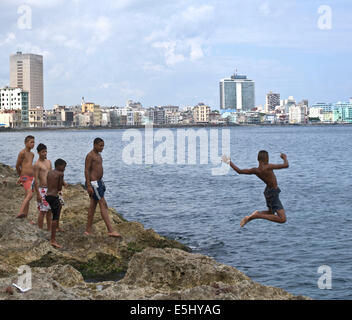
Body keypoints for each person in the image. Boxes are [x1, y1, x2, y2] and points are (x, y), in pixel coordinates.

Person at [222, 151, 289, 227]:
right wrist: (284, 157)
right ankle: (257, 215)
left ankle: (251, 217)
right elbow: (286, 165)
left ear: (258, 159)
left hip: (267, 192)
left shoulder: (256, 170)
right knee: (282, 219)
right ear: (267, 159)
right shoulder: (268, 167)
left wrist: (229, 162)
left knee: (271, 213)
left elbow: (239, 171)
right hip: (273, 193)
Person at [84, 138, 121, 238]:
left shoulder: (99, 155)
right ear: (94, 145)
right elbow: (86, 170)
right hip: (94, 183)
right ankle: (110, 230)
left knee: (92, 206)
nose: (102, 148)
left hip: (99, 182)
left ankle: (87, 230)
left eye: (103, 146)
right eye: (100, 145)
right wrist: (88, 185)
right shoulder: (90, 155)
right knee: (103, 204)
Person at [45, 159, 66, 248]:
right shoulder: (60, 174)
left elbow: (49, 184)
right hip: (54, 196)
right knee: (55, 217)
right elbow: (59, 188)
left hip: (48, 195)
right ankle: (53, 240)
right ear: (58, 165)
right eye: (64, 167)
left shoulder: (49, 172)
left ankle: (57, 227)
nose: (64, 169)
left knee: (59, 206)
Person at [16, 135, 35, 221]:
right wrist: (21, 177)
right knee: (30, 194)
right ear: (25, 143)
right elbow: (17, 166)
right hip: (24, 177)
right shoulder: (22, 153)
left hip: (31, 177)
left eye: (34, 142)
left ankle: (25, 217)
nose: (33, 144)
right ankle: (20, 212)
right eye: (31, 142)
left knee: (27, 196)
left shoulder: (32, 154)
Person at [33, 143, 52, 230]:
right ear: (38, 153)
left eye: (46, 151)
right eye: (43, 152)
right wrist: (38, 194)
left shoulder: (49, 162)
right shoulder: (37, 164)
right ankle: (40, 229)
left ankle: (49, 229)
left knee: (49, 211)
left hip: (50, 189)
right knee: (42, 211)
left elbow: (52, 175)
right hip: (42, 189)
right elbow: (36, 180)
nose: (45, 153)